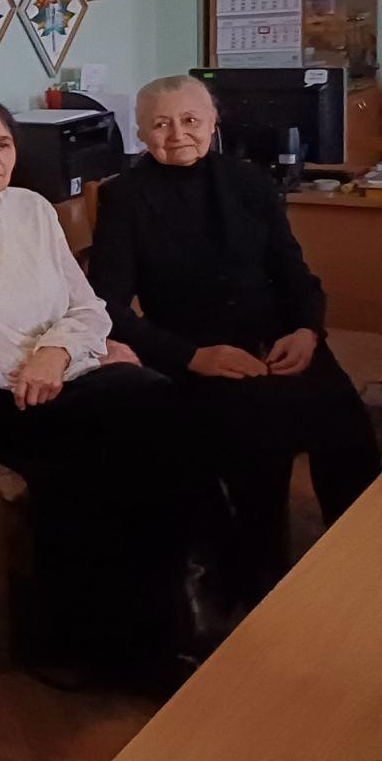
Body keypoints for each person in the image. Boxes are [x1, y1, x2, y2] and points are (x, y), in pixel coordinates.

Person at [0, 95, 187, 681]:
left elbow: (88, 307)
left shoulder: (32, 209)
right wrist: (58, 358)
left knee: (145, 420)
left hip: (61, 377)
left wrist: (60, 354)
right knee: (134, 422)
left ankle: (137, 634)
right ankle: (130, 639)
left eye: (3, 144)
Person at [90, 74, 380, 604]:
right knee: (257, 444)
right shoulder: (124, 197)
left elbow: (295, 276)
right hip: (195, 353)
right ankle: (261, 589)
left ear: (213, 122)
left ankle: (359, 564)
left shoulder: (249, 182)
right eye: (161, 124)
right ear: (141, 132)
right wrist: (192, 357)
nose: (177, 134)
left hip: (279, 339)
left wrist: (307, 330)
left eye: (190, 120)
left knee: (347, 429)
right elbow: (107, 308)